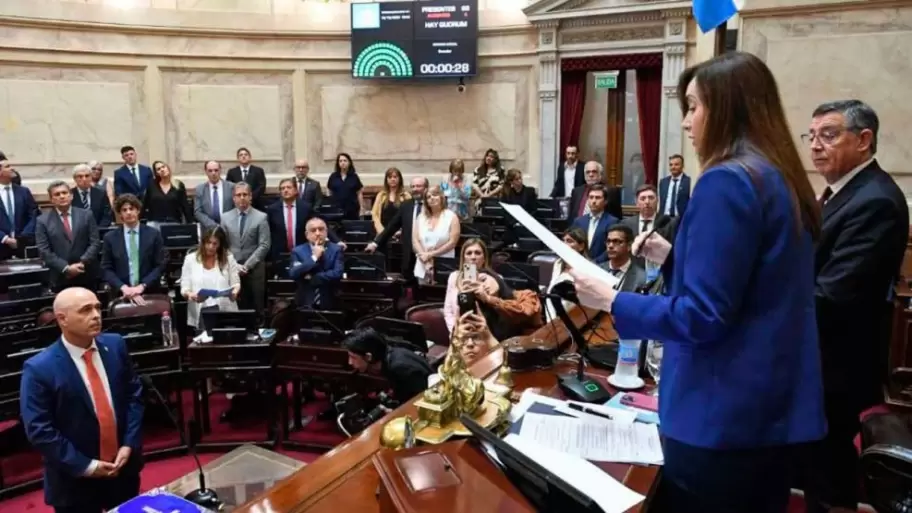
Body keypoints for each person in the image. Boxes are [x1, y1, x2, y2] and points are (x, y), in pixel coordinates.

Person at [570, 52, 826, 512]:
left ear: (727, 107)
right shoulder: (777, 176)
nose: (687, 122)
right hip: (769, 407)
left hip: (720, 412)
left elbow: (705, 316)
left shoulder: (725, 182)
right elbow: (754, 286)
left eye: (693, 106)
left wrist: (613, 299)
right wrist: (674, 259)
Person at [802, 100, 909, 513]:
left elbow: (832, 295)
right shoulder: (841, 193)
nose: (815, 146)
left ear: (864, 140)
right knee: (818, 462)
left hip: (836, 364)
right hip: (821, 357)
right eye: (811, 136)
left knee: (828, 470)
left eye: (828, 135)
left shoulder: (875, 201)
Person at [20, 287, 144, 513]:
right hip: (74, 481)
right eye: (86, 310)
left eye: (97, 307)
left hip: (123, 470)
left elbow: (133, 396)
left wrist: (129, 443)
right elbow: (40, 430)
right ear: (62, 319)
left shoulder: (115, 345)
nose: (96, 315)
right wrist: (87, 466)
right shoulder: (39, 368)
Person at [36, 181, 102, 291]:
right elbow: (44, 251)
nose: (62, 196)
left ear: (71, 196)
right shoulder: (42, 221)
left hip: (86, 273)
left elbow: (95, 242)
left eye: (64, 193)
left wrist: (81, 263)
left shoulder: (86, 215)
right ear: (51, 199)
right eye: (57, 194)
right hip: (60, 277)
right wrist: (66, 268)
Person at [101, 194, 166, 298]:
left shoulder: (153, 234)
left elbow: (160, 265)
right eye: (124, 210)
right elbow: (106, 268)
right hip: (121, 294)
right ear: (120, 214)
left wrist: (142, 286)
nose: (128, 212)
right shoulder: (110, 238)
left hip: (149, 291)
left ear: (138, 211)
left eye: (131, 209)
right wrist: (123, 287)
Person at [343, 327, 433, 402]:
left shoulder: (399, 368)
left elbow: (417, 401)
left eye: (353, 357)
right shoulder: (392, 355)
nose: (350, 362)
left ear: (368, 357)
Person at [180, 226, 240, 330]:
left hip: (224, 309)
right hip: (201, 310)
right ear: (203, 242)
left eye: (215, 243)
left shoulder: (228, 259)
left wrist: (234, 293)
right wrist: (191, 295)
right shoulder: (190, 259)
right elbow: (184, 287)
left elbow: (236, 283)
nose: (211, 246)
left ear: (220, 245)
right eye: (208, 242)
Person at [289, 217, 343, 309]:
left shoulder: (336, 249)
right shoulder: (298, 251)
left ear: (326, 232)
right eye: (313, 230)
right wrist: (314, 258)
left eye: (321, 229)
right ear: (307, 234)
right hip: (305, 300)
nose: (318, 233)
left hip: (329, 299)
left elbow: (337, 273)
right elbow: (294, 273)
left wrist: (313, 277)